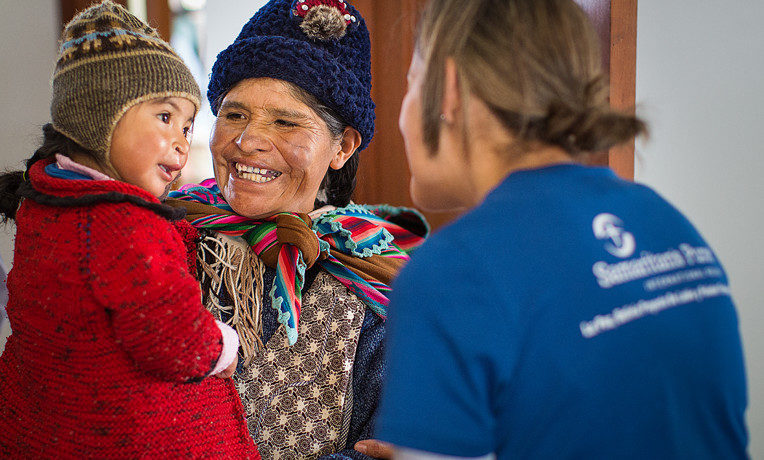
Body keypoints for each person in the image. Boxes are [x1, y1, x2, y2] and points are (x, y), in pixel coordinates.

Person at [374, 0, 749, 458]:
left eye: (412, 82)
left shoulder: (452, 273)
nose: (400, 113)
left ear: (448, 90)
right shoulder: (666, 222)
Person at [165, 0, 428, 458]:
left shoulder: (378, 295)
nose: (247, 142)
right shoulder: (159, 240)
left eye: (286, 122)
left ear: (342, 146)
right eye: (234, 114)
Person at [0, 2, 259, 458]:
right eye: (164, 117)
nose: (181, 140)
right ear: (99, 117)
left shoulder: (45, 201)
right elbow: (173, 337)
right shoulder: (122, 223)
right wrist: (223, 345)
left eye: (187, 124)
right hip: (128, 436)